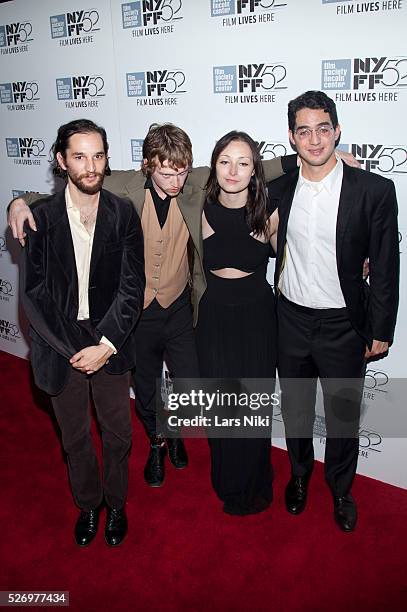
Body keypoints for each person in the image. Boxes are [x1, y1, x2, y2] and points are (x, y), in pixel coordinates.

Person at [9, 124, 296, 489]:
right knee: (145, 391)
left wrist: (305, 159)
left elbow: (257, 166)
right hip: (135, 315)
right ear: (148, 165)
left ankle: (173, 430)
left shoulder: (194, 182)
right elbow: (64, 192)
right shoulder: (122, 186)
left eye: (181, 171)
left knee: (192, 383)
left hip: (179, 307)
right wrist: (19, 203)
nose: (175, 181)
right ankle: (160, 442)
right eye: (166, 172)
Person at [269, 91, 399, 531]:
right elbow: (222, 177)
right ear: (291, 137)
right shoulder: (278, 189)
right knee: (297, 410)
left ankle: (341, 488)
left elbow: (385, 264)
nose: (315, 139)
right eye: (303, 130)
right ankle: (300, 475)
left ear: (337, 130)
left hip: (344, 323)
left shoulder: (375, 190)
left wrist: (381, 326)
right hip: (290, 318)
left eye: (323, 128)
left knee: (343, 414)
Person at [19, 119, 145, 546]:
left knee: (118, 435)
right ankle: (90, 504)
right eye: (79, 156)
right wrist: (81, 349)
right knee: (74, 438)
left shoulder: (123, 212)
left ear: (107, 159)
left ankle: (117, 504)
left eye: (98, 155)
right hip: (61, 346)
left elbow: (132, 286)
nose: (90, 166)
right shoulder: (40, 218)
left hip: (112, 339)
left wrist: (105, 345)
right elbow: (34, 296)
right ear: (61, 160)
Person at [195, 131, 280, 515]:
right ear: (214, 164)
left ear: (254, 169)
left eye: (243, 162)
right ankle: (227, 479)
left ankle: (255, 480)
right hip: (214, 316)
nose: (233, 170)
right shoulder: (197, 203)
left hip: (258, 315)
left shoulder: (271, 209)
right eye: (225, 160)